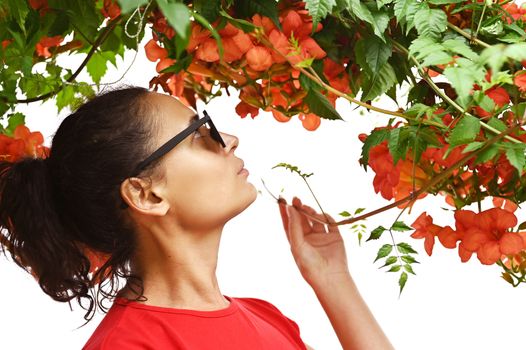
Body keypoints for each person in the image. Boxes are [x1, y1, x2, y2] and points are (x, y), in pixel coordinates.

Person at [0, 86, 394, 349]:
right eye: (201, 135)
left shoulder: (267, 318)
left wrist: (333, 280)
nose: (231, 140)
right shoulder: (129, 345)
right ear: (146, 194)